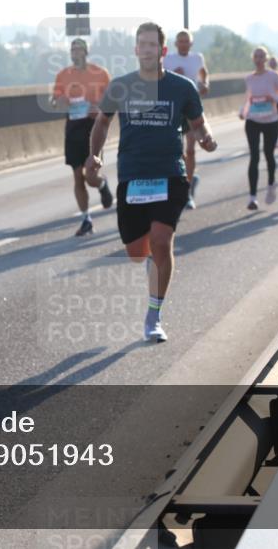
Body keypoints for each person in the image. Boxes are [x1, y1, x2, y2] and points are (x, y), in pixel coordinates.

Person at [86, 22, 217, 343]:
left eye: (151, 45)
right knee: (136, 251)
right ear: (136, 50)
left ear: (162, 51)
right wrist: (95, 155)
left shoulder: (182, 87)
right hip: (132, 174)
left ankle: (153, 316)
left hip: (170, 173)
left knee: (161, 240)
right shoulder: (121, 86)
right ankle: (151, 267)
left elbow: (198, 124)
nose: (146, 49)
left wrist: (205, 137)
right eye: (140, 44)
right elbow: (102, 122)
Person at [51, 38, 113, 236]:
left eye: (79, 49)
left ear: (86, 52)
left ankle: (102, 184)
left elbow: (113, 99)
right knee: (78, 176)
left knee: (91, 175)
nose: (75, 52)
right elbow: (55, 102)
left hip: (93, 127)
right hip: (73, 127)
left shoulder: (100, 73)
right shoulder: (63, 75)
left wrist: (99, 107)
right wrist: (60, 101)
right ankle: (86, 218)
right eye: (73, 49)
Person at [162, 29, 209, 209]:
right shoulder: (169, 60)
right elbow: (161, 78)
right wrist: (175, 73)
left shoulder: (197, 58)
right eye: (180, 41)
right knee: (177, 151)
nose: (183, 44)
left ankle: (187, 192)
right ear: (175, 43)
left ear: (191, 43)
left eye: (186, 41)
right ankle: (187, 178)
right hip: (174, 109)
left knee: (191, 150)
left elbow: (204, 72)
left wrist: (205, 84)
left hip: (191, 108)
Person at [241, 47, 278, 210]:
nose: (259, 59)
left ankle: (271, 184)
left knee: (269, 154)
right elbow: (249, 98)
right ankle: (252, 197)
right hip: (253, 120)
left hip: (271, 120)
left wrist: (273, 97)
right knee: (254, 156)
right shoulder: (249, 78)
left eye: (262, 56)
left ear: (266, 59)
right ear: (253, 59)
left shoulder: (274, 76)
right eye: (256, 56)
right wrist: (243, 112)